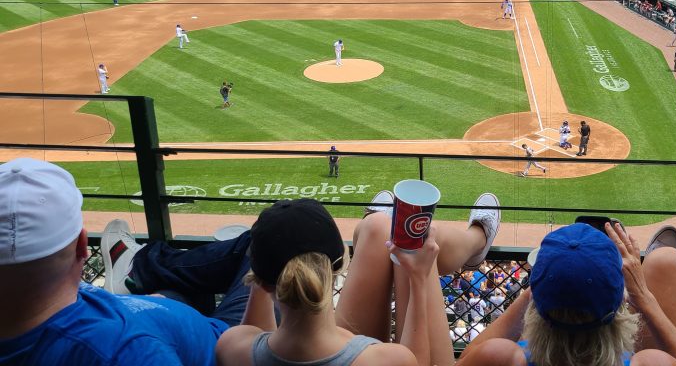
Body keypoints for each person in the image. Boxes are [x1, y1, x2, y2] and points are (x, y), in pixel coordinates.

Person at [0, 158, 244, 364]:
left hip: (157, 316)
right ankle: (140, 264)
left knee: (176, 287)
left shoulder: (46, 303)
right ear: (82, 246)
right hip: (232, 348)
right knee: (266, 238)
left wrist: (139, 304)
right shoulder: (128, 351)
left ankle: (138, 268)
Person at [215, 194, 502, 366]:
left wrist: (264, 265)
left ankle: (380, 224)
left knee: (382, 228)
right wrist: (418, 276)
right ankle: (476, 239)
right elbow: (416, 360)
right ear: (339, 263)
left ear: (260, 281)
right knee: (409, 246)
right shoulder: (386, 361)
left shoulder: (232, 347)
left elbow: (256, 337)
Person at [457, 222, 676, 366]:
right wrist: (645, 298)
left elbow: (466, 358)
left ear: (536, 304)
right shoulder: (649, 362)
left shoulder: (503, 358)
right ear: (622, 303)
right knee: (667, 261)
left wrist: (543, 284)